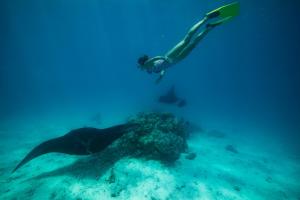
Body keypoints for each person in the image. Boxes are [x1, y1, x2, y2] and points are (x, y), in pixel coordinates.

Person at [137, 2, 240, 83]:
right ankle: (208, 28)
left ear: (142, 63)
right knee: (192, 45)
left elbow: (156, 58)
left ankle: (206, 18)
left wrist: (164, 58)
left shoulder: (146, 65)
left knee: (187, 40)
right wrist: (161, 77)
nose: (141, 69)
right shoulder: (149, 69)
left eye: (140, 66)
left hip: (169, 57)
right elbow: (162, 69)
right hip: (175, 61)